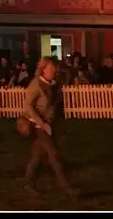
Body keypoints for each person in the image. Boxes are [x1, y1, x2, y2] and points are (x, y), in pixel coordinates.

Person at [22, 57, 78, 198]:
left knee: (36, 156)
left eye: (55, 67)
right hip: (38, 126)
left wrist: (60, 123)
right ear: (43, 69)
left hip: (51, 125)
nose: (55, 70)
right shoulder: (36, 84)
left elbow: (58, 105)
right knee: (53, 154)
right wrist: (42, 123)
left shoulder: (54, 84)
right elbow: (27, 106)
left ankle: (28, 182)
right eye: (52, 67)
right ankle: (66, 187)